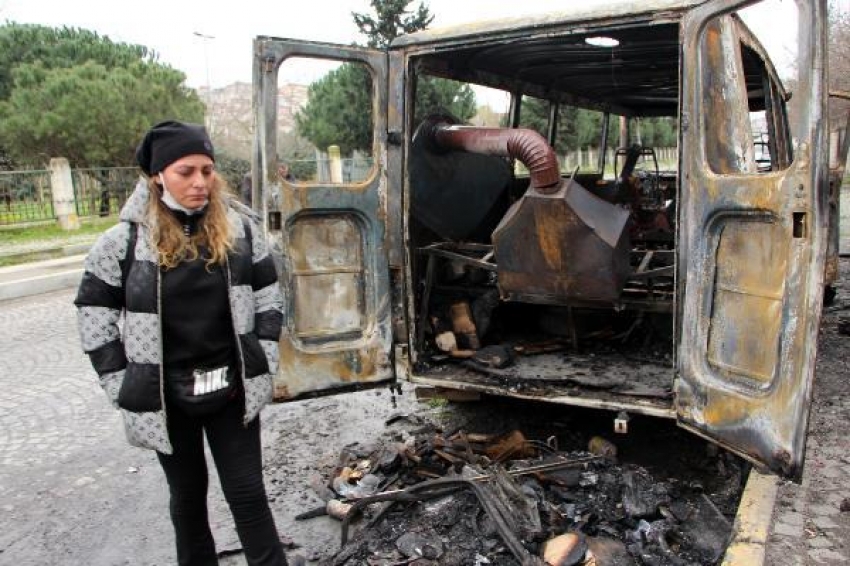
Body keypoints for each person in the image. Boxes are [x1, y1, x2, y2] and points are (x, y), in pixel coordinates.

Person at [74, 120, 288, 566]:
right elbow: (94, 315)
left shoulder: (241, 233)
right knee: (188, 501)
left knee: (248, 495)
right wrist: (124, 384)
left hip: (233, 392)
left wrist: (262, 357)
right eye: (186, 171)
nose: (200, 182)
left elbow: (271, 297)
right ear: (157, 176)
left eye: (207, 171)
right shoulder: (124, 243)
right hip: (167, 400)